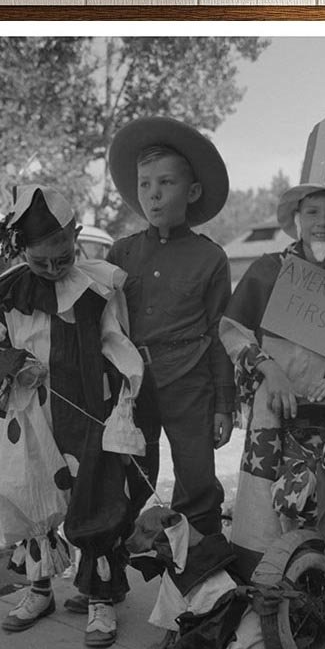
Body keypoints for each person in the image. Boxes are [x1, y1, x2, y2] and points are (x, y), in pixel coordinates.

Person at [0, 185, 145, 648]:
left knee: (94, 495)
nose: (51, 269)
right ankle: (39, 588)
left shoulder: (98, 286)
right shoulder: (9, 292)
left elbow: (117, 343)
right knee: (22, 490)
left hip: (85, 409)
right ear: (21, 250)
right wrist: (6, 362)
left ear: (77, 236)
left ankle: (100, 599)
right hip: (27, 412)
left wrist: (123, 399)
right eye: (39, 260)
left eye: (62, 257)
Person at [220, 114, 325, 578]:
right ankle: (263, 594)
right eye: (313, 212)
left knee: (318, 502)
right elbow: (232, 331)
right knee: (262, 502)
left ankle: (314, 594)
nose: (323, 223)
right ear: (297, 218)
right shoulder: (267, 270)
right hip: (270, 411)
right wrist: (268, 368)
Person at [101, 116, 236, 540]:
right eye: (144, 185)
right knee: (132, 471)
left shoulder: (210, 258)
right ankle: (110, 567)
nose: (153, 194)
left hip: (189, 380)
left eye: (166, 183)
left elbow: (220, 333)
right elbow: (104, 326)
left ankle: (203, 577)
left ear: (192, 192)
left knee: (196, 478)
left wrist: (223, 404)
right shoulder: (121, 253)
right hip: (135, 384)